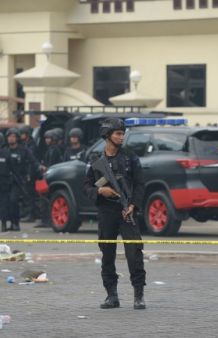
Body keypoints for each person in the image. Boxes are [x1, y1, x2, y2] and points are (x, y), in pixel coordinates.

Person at [83, 118, 146, 310]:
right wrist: (100, 191)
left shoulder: (130, 157)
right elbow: (87, 185)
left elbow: (140, 183)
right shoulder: (96, 160)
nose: (121, 136)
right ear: (107, 136)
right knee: (107, 253)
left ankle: (138, 295)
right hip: (107, 210)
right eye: (118, 133)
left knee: (134, 252)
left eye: (122, 133)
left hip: (126, 210)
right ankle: (111, 295)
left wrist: (133, 204)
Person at [5, 128, 34, 231]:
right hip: (6, 181)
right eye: (9, 136)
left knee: (14, 201)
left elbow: (32, 161)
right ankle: (10, 223)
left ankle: (16, 223)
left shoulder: (23, 150)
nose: (11, 139)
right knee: (7, 202)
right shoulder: (5, 150)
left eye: (13, 136)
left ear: (17, 138)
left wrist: (29, 174)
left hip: (18, 180)